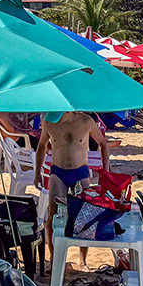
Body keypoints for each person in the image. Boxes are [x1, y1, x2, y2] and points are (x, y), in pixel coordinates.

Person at [35, 111, 110, 265]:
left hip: (80, 171)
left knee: (84, 216)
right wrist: (37, 173)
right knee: (52, 215)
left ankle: (83, 261)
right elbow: (42, 146)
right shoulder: (49, 121)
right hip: (58, 171)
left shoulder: (85, 121)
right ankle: (54, 258)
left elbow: (103, 144)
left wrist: (106, 172)